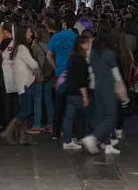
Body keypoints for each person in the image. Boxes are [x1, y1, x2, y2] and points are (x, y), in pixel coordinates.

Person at [81, 22, 126, 155]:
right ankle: (93, 138)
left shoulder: (93, 53)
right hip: (108, 87)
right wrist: (121, 87)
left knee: (101, 116)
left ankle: (107, 145)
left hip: (97, 87)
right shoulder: (109, 53)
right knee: (111, 117)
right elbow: (116, 73)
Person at [0, 25, 39, 146]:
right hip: (26, 83)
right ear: (24, 34)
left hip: (21, 83)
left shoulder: (18, 47)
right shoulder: (23, 48)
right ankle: (8, 132)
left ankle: (23, 137)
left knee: (24, 109)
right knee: (26, 110)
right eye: (29, 32)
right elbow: (34, 65)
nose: (31, 34)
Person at [46, 14, 78, 140]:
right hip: (72, 74)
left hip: (60, 74)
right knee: (71, 104)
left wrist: (55, 67)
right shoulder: (76, 38)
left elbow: (49, 55)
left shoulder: (56, 37)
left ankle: (55, 132)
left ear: (64, 23)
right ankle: (70, 131)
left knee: (58, 104)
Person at [61, 36, 90, 150]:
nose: (88, 45)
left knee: (69, 117)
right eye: (86, 43)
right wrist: (85, 96)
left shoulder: (72, 58)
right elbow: (81, 80)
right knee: (92, 115)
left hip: (70, 91)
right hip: (78, 93)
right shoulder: (80, 60)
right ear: (81, 45)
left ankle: (67, 140)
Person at [27, 24, 54, 134]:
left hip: (39, 74)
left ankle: (37, 125)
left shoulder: (35, 45)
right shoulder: (50, 44)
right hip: (49, 74)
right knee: (48, 100)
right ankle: (50, 125)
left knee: (37, 99)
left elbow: (33, 61)